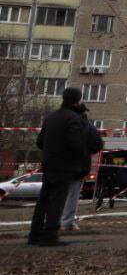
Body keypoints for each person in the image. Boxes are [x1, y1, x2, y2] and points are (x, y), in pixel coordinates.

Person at [28, 88, 97, 247]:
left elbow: (40, 142)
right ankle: (50, 236)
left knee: (43, 200)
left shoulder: (50, 117)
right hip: (65, 166)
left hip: (48, 165)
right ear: (77, 101)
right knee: (57, 201)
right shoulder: (73, 119)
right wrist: (82, 154)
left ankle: (34, 235)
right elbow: (76, 144)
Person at [58, 97, 102, 233]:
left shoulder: (56, 120)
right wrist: (86, 151)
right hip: (77, 165)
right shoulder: (85, 125)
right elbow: (97, 143)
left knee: (57, 194)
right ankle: (67, 222)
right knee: (72, 194)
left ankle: (53, 221)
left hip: (57, 164)